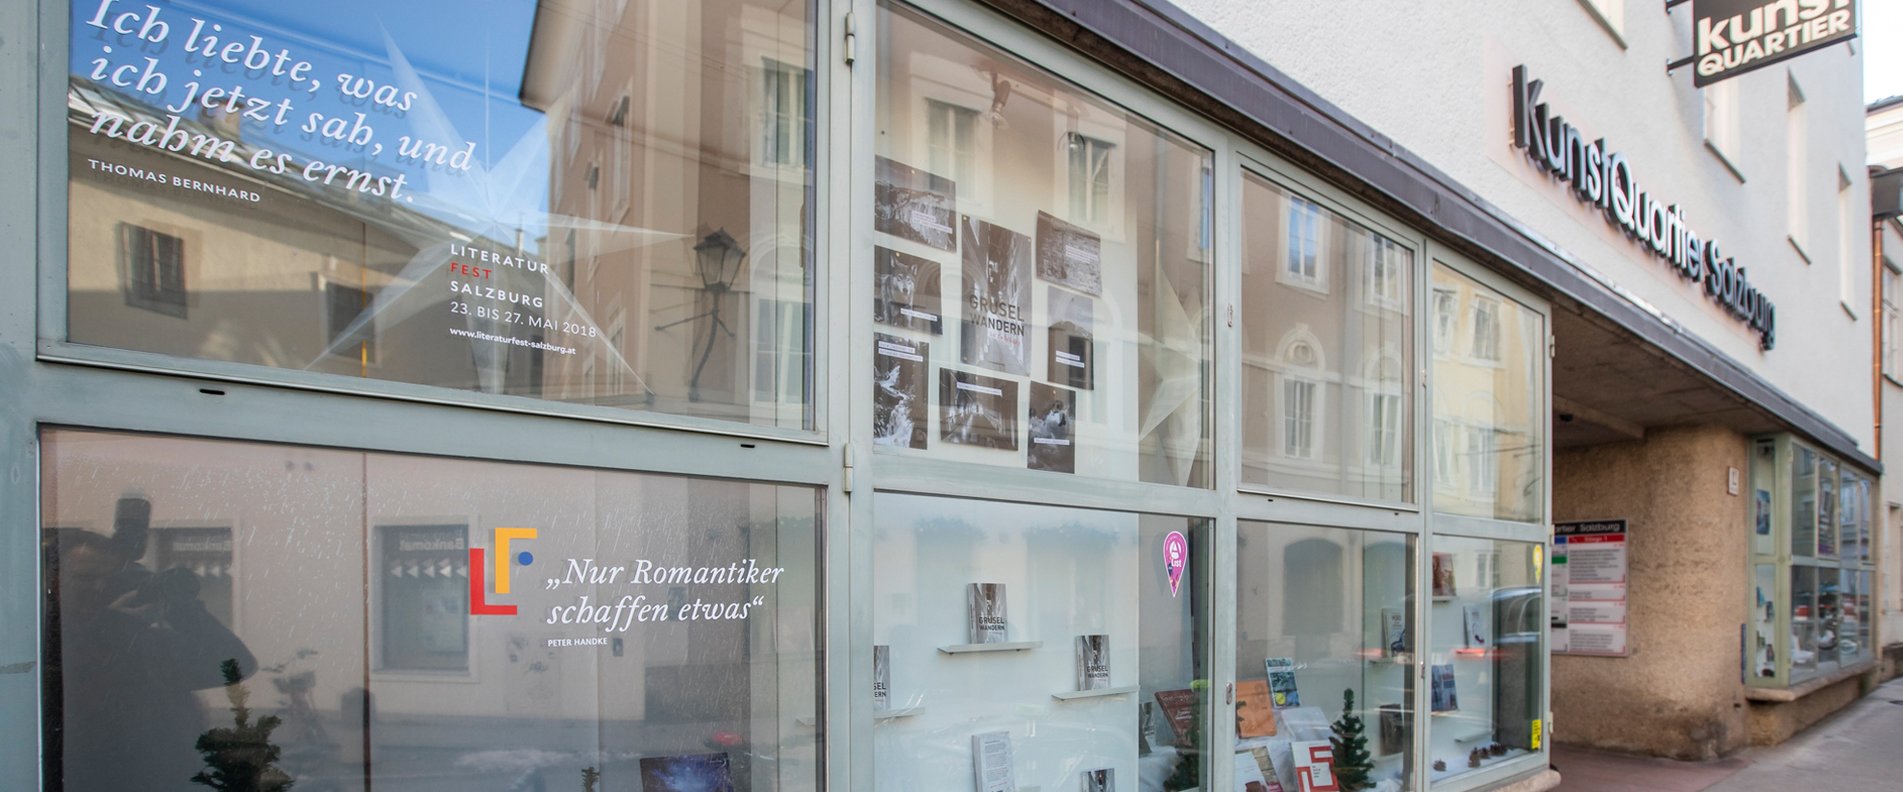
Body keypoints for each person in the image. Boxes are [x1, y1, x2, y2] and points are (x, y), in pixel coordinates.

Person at [46, 496, 257, 791]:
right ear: (55, 584)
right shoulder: (46, 646)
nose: (99, 588)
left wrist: (180, 608)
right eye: (86, 578)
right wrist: (109, 626)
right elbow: (83, 717)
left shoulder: (145, 643)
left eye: (109, 579)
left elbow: (235, 662)